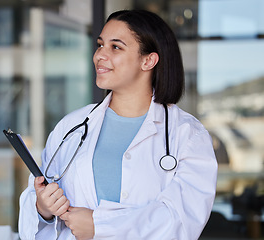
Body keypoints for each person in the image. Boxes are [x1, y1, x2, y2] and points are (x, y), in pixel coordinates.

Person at [18, 9, 217, 240]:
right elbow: (35, 204)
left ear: (148, 60)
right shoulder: (72, 126)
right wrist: (43, 209)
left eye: (116, 47)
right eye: (100, 45)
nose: (99, 55)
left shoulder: (187, 134)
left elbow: (181, 221)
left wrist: (100, 226)